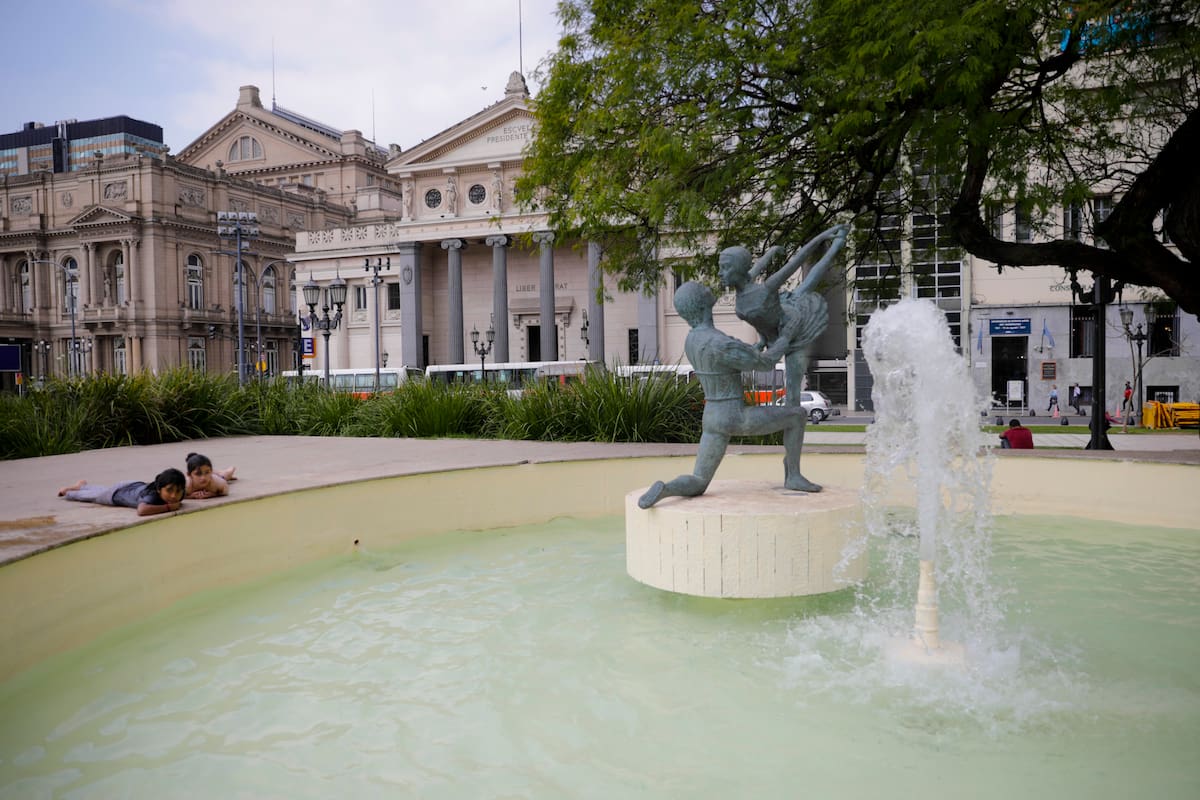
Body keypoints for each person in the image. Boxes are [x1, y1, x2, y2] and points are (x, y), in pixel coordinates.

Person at [637, 281, 823, 509]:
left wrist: (760, 345)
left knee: (699, 480)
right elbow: (765, 364)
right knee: (797, 416)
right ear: (703, 303)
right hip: (735, 415)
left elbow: (733, 361)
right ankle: (793, 475)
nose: (708, 288)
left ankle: (667, 488)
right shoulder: (719, 342)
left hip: (712, 417)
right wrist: (786, 335)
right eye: (704, 288)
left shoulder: (692, 339)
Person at [718, 224, 848, 411]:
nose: (720, 273)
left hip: (794, 326)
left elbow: (798, 259)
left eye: (725, 268)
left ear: (738, 270)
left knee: (792, 394)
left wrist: (823, 236)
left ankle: (837, 244)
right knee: (805, 287)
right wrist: (770, 253)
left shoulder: (766, 289)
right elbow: (759, 317)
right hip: (776, 328)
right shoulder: (745, 285)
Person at [58, 468, 186, 516]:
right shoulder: (151, 496)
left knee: (101, 490)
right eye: (169, 491)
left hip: (131, 485)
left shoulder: (178, 494)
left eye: (178, 491)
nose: (174, 495)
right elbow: (142, 510)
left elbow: (186, 493)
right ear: (159, 489)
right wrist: (168, 507)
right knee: (92, 496)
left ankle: (82, 485)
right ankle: (69, 491)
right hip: (116, 494)